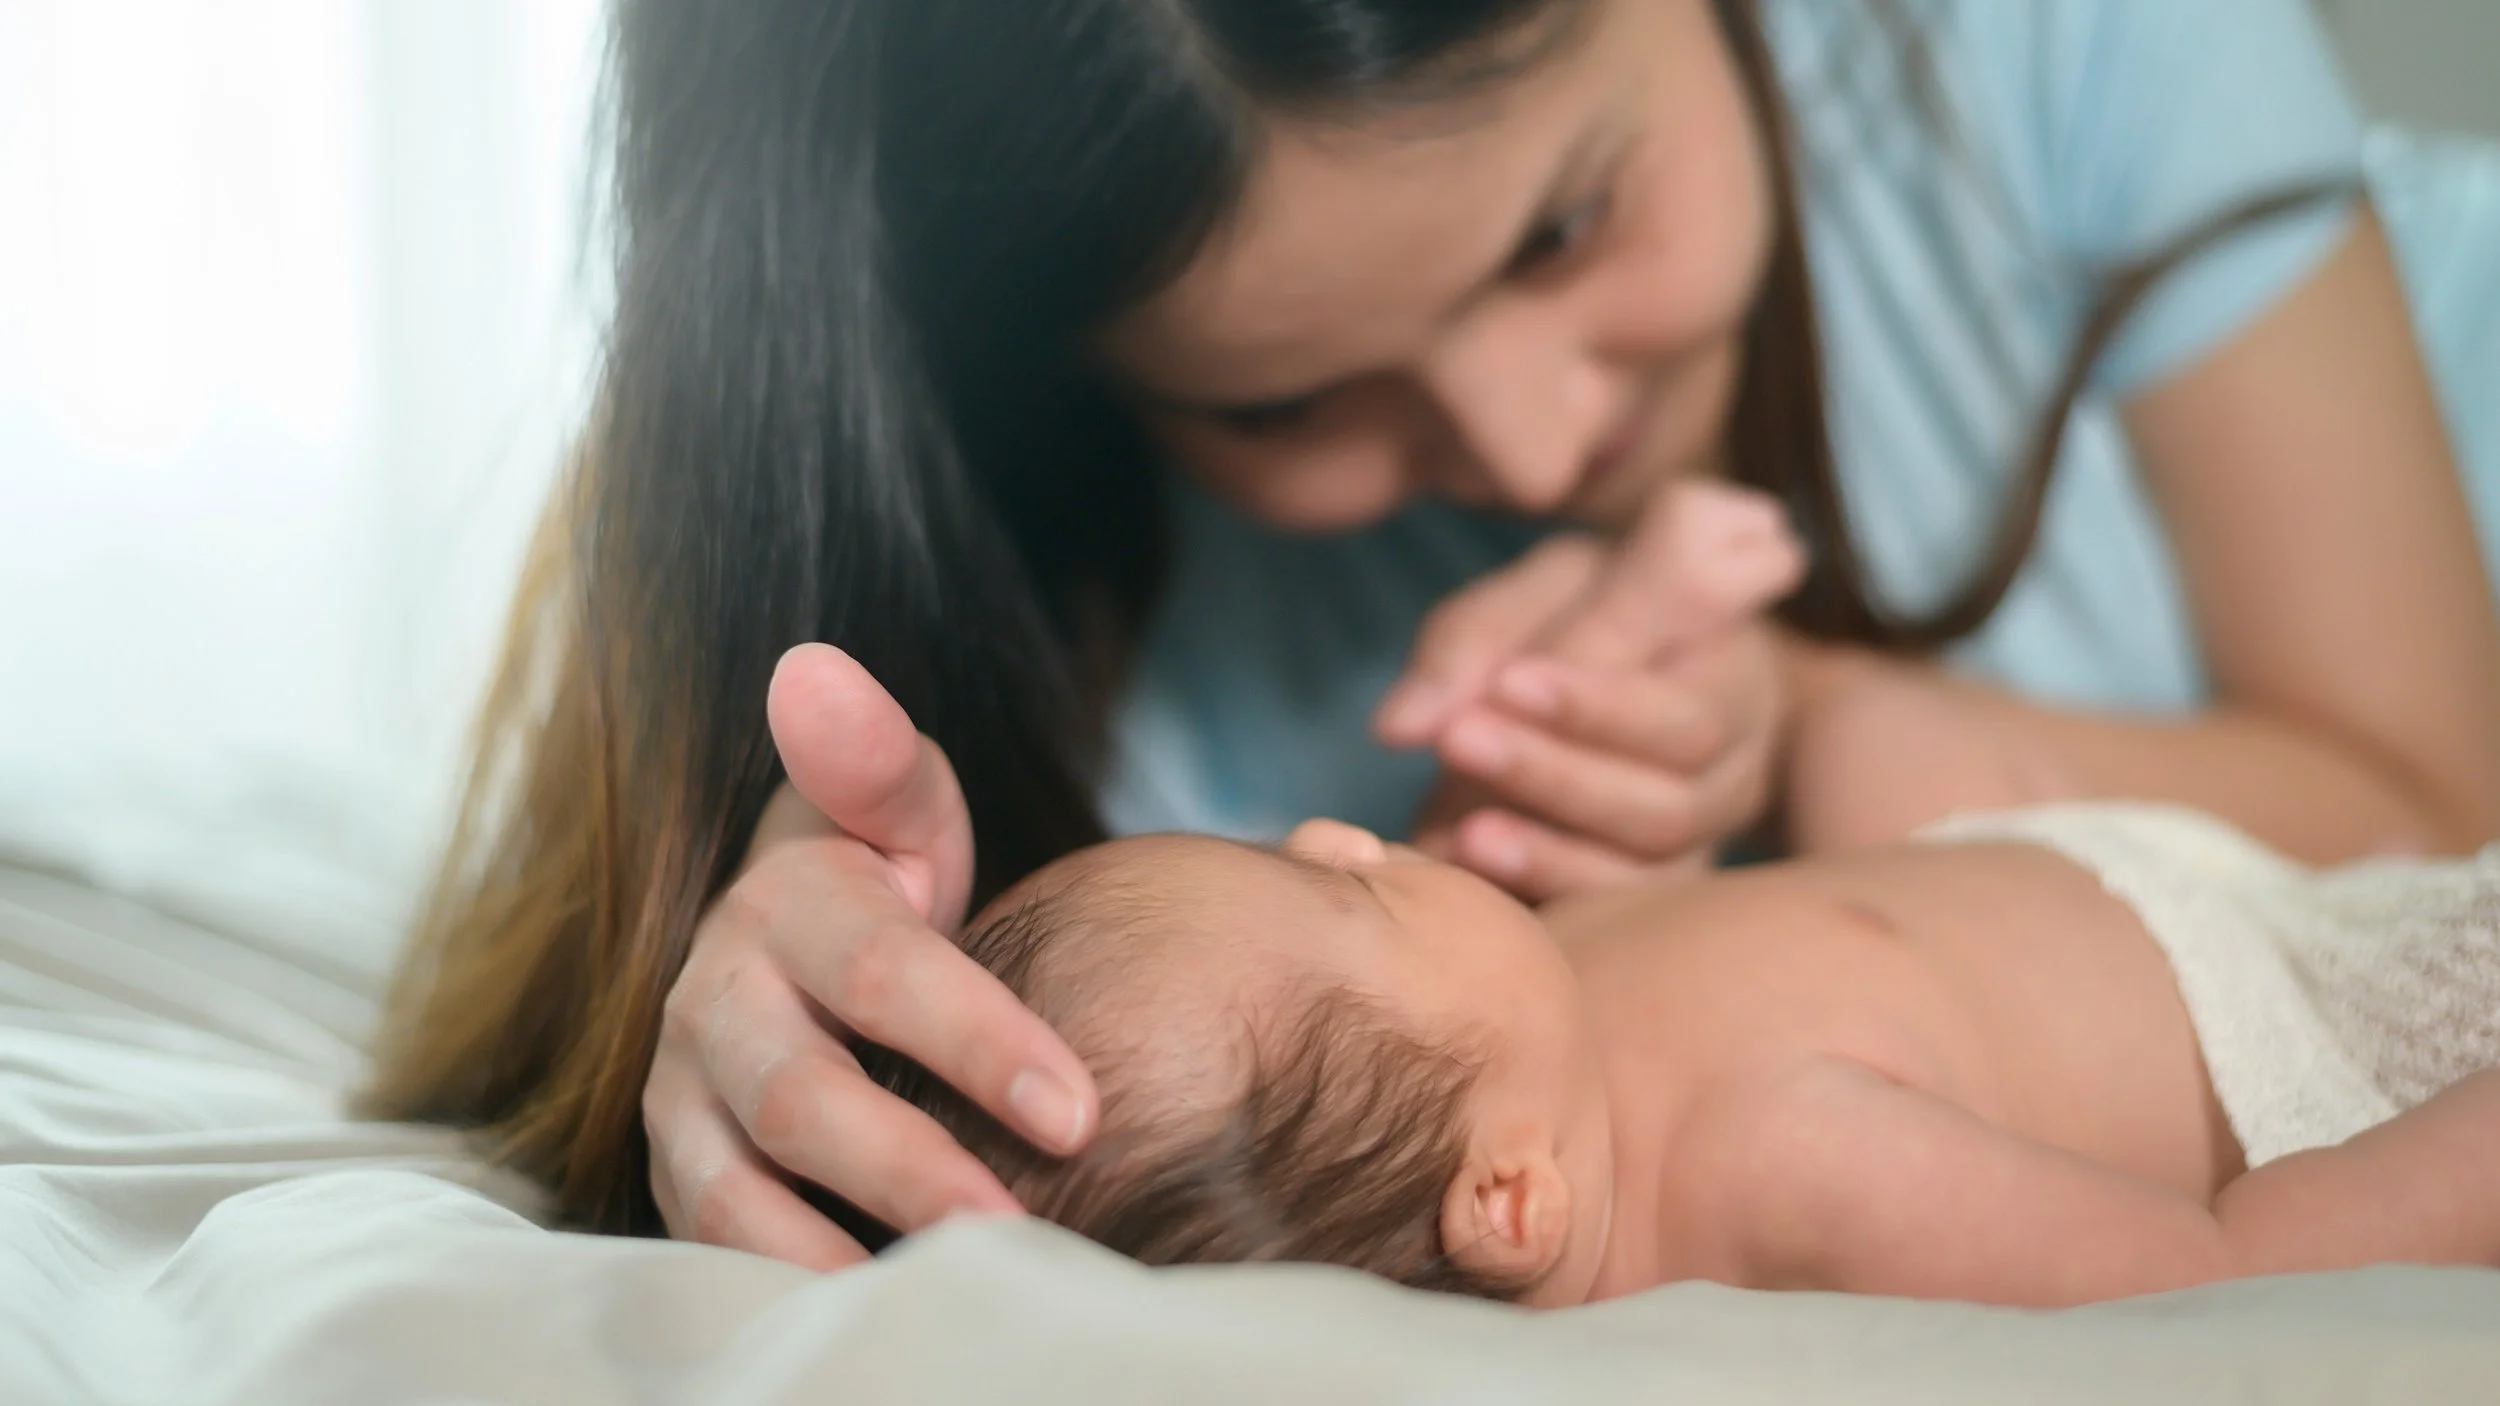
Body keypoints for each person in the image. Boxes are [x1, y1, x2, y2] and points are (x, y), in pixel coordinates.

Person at [364, 0, 2500, 1272]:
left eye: (1563, 220)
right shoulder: (1155, 697)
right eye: (1281, 402)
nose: (1531, 437)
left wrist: (1814, 720)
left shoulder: (2040, 50)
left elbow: (2428, 794)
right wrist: (790, 1038)